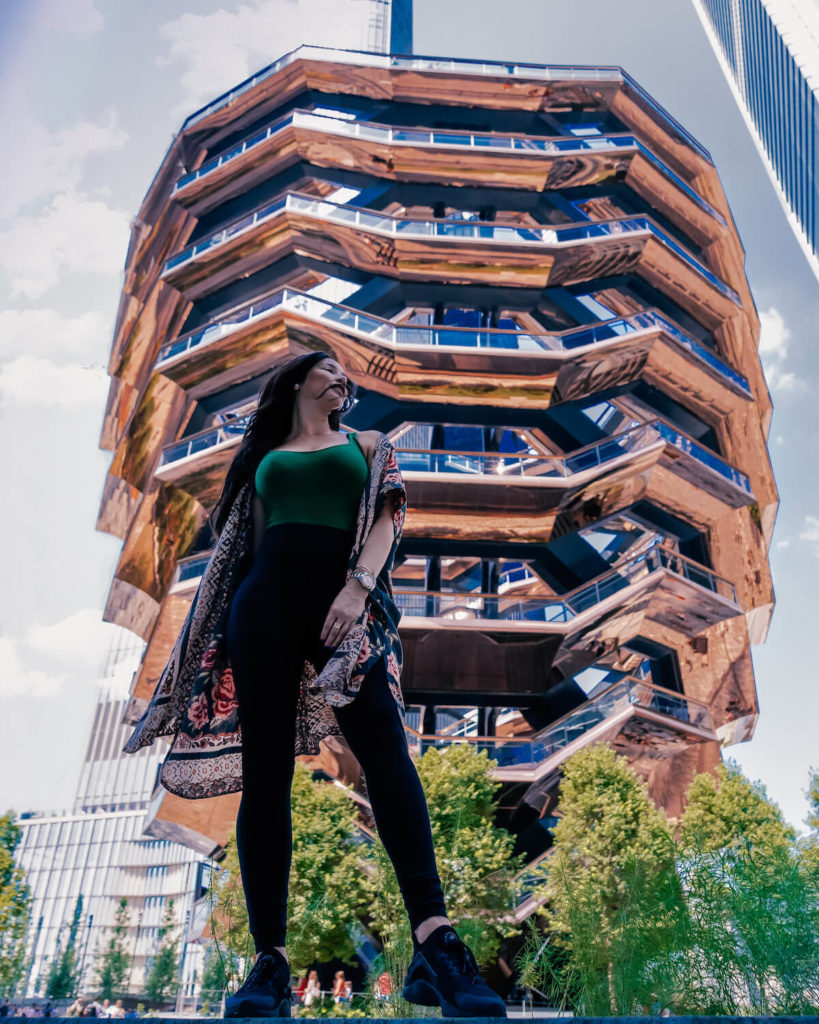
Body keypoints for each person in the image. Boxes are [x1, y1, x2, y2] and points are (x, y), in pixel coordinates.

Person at [123, 351, 506, 1019]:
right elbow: (251, 542)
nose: (342, 377)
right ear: (299, 381)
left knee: (386, 756)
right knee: (265, 776)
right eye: (328, 368)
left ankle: (434, 942)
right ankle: (268, 963)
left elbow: (388, 519)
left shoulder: (368, 444)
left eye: (344, 374)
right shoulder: (265, 455)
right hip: (263, 605)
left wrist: (357, 590)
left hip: (344, 603)